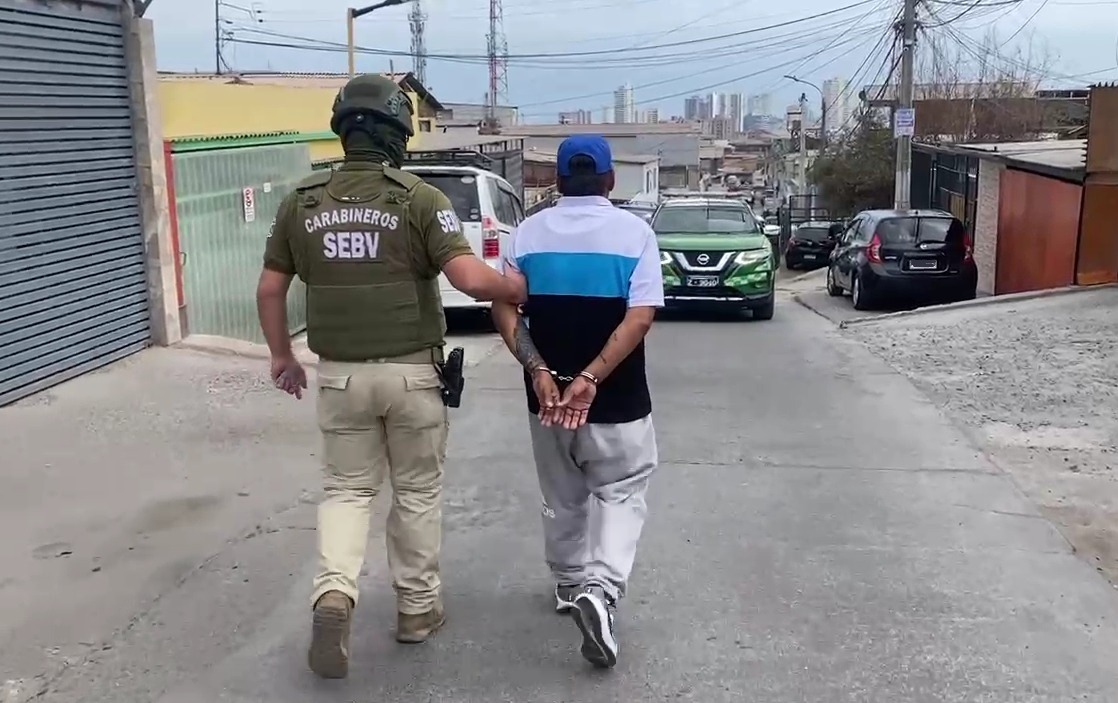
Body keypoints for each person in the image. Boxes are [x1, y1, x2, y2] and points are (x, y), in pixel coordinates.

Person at [255, 73, 527, 680]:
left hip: (340, 378)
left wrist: (281, 356)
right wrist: (516, 288)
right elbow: (470, 281)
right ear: (398, 133)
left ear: (342, 130)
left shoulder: (303, 200)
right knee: (417, 494)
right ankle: (417, 610)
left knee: (347, 491)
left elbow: (270, 289)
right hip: (412, 377)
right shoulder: (418, 199)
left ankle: (334, 592)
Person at [490, 134, 664, 669]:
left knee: (561, 493)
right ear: (609, 180)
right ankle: (601, 588)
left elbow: (504, 307)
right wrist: (590, 376)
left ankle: (569, 583)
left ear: (559, 181)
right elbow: (640, 317)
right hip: (617, 400)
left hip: (545, 399)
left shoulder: (526, 234)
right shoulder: (635, 235)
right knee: (621, 491)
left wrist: (539, 370)